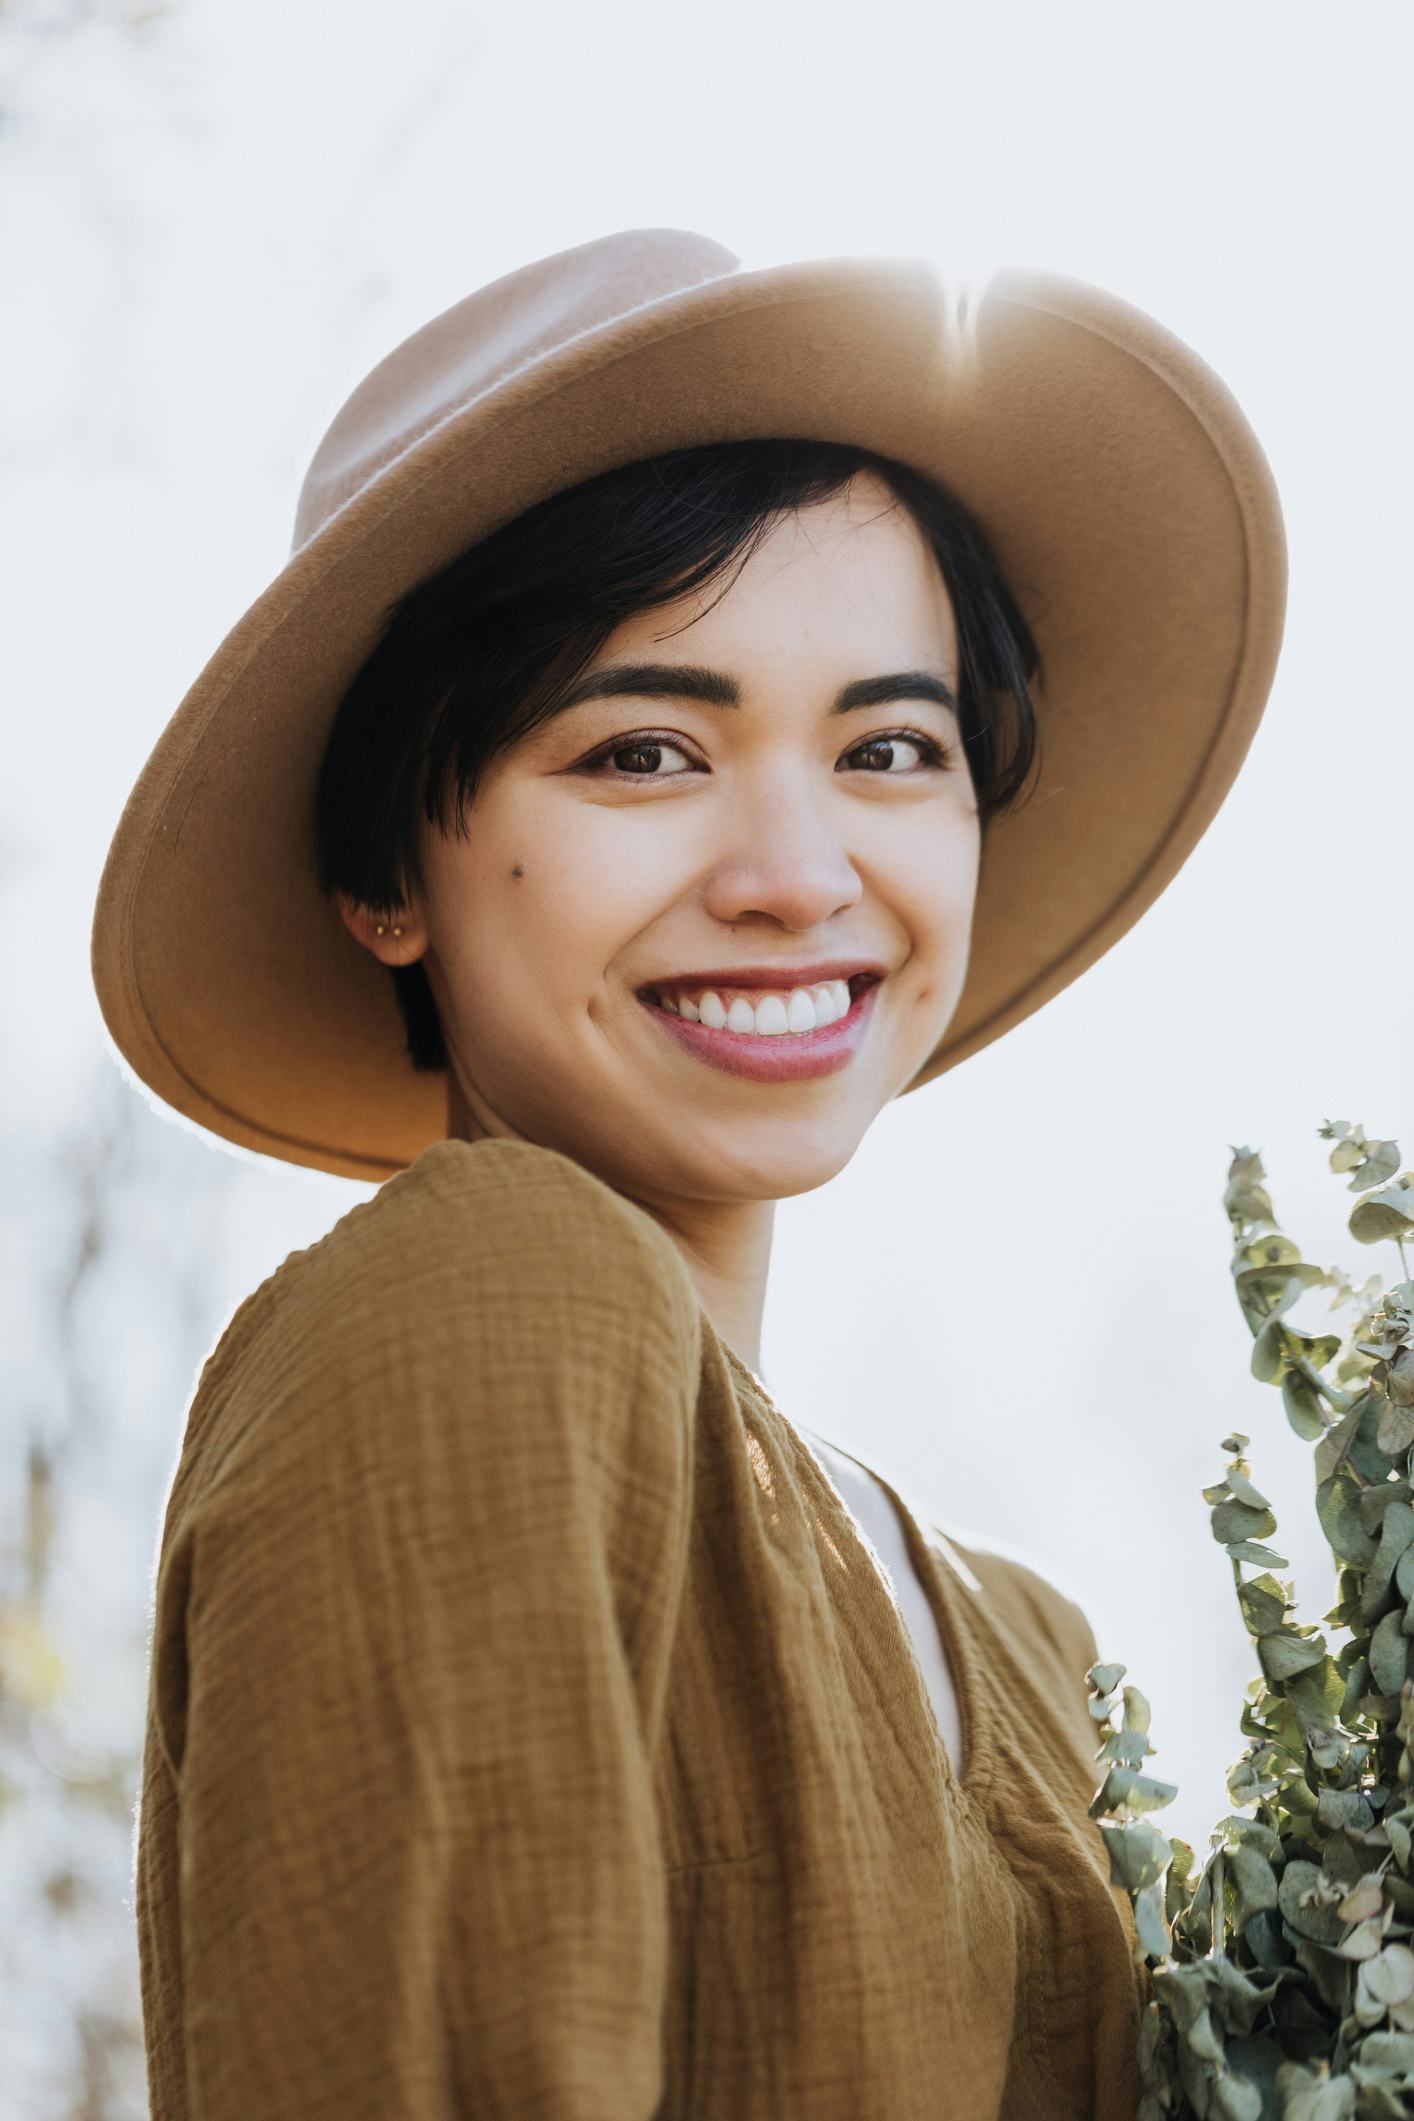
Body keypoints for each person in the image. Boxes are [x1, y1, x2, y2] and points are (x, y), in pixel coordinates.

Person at [90, 228, 1288, 2119]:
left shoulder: (1031, 1643)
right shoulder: (482, 1296)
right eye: (645, 749)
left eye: (892, 744)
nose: (797, 871)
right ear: (388, 877)